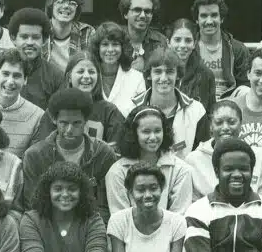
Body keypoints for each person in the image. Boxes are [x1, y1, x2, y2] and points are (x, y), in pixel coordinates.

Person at [23, 88, 117, 222]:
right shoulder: (35, 156)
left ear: (85, 120)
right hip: (48, 226)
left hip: (91, 225)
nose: (70, 130)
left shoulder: (103, 153)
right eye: (64, 123)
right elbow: (33, 205)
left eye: (76, 123)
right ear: (54, 119)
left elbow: (105, 207)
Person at [105, 105, 193, 216]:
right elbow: (120, 218)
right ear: (133, 134)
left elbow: (180, 215)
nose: (152, 137)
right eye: (146, 132)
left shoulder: (181, 170)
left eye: (157, 131)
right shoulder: (117, 172)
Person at [0, 7, 66, 111]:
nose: (30, 42)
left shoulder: (55, 77)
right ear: (13, 38)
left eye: (36, 37)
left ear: (44, 40)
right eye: (24, 37)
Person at [130, 48, 209, 160]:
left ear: (178, 75)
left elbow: (202, 155)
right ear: (149, 75)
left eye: (170, 72)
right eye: (157, 72)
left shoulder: (196, 110)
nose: (163, 78)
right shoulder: (132, 108)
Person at [0, 48, 48, 160]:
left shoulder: (38, 117)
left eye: (16, 76)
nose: (10, 81)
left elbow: (33, 162)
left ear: (25, 80)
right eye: (5, 74)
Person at [188, 100, 262, 202]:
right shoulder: (193, 160)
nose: (225, 128)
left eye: (231, 122)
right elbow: (193, 205)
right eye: (219, 123)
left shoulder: (260, 156)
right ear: (210, 126)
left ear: (241, 124)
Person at [37, 51, 124, 147]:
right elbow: (43, 148)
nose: (86, 76)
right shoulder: (54, 109)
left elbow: (116, 149)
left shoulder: (110, 111)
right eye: (80, 71)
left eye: (91, 72)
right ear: (69, 77)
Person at [191, 0, 250, 99]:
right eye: (204, 16)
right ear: (197, 19)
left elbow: (246, 84)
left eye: (214, 15)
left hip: (230, 102)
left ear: (221, 18)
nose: (209, 21)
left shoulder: (237, 49)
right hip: (197, 102)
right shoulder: (189, 47)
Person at [87, 21, 146, 117]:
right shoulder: (88, 76)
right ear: (97, 48)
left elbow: (140, 116)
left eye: (115, 44)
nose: (110, 50)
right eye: (105, 44)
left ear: (123, 48)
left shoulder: (137, 78)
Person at [166, 18, 216, 115]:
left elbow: (211, 113)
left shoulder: (206, 74)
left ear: (194, 44)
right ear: (168, 43)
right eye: (177, 40)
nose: (183, 45)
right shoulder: (159, 71)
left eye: (188, 40)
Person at [43, 0, 94, 73]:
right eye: (60, 1)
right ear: (51, 5)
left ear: (76, 9)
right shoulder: (40, 31)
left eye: (72, 3)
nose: (66, 6)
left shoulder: (87, 32)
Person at [118, 0, 168, 72]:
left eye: (147, 11)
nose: (142, 15)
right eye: (137, 10)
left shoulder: (161, 42)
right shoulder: (115, 38)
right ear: (126, 14)